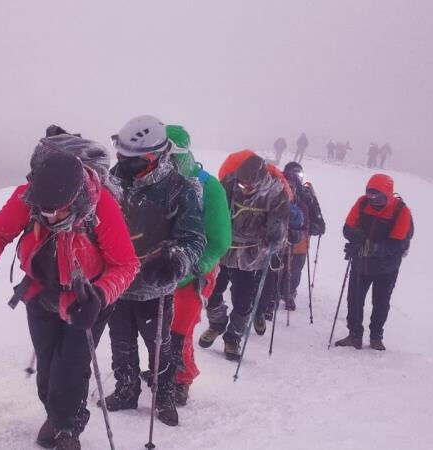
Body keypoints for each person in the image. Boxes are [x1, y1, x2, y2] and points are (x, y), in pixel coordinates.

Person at [0, 128, 139, 449]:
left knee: (71, 367)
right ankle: (57, 413)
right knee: (48, 370)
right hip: (40, 293)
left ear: (75, 196)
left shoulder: (101, 205)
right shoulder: (31, 196)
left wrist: (100, 296)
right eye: (45, 209)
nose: (49, 215)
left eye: (57, 210)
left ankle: (68, 426)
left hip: (86, 299)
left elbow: (126, 264)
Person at [103, 115, 206, 427]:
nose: (124, 162)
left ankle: (164, 396)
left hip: (156, 283)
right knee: (120, 340)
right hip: (117, 281)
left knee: (159, 344)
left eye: (133, 158)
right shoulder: (112, 180)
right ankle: (126, 388)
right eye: (121, 155)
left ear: (155, 156)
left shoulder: (179, 188)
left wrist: (175, 260)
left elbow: (193, 237)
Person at [199, 151, 292, 360]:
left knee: (243, 301)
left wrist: (275, 233)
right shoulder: (229, 184)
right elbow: (215, 211)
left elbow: (280, 221)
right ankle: (216, 324)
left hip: (252, 254)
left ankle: (233, 338)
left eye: (248, 184)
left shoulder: (276, 193)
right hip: (224, 249)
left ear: (260, 178)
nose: (244, 187)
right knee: (211, 292)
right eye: (241, 183)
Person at [164, 124, 231, 406]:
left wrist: (199, 265)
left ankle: (181, 379)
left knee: (181, 327)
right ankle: (162, 372)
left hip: (192, 273)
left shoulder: (208, 185)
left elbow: (219, 239)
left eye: (170, 155)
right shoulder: (155, 181)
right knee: (157, 328)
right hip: (157, 271)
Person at [335, 174, 414, 351]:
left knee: (381, 302)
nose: (372, 199)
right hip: (361, 263)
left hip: (387, 267)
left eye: (376, 195)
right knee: (354, 299)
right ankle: (354, 335)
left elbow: (395, 244)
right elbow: (348, 227)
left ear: (387, 193)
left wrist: (364, 246)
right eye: (369, 194)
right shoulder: (362, 203)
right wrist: (355, 236)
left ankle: (376, 337)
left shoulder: (401, 211)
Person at [255, 162, 325, 326]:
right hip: (279, 238)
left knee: (292, 269)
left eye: (298, 175)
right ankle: (270, 301)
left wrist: (307, 228)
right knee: (275, 269)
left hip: (298, 240)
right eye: (290, 174)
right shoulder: (278, 188)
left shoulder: (306, 193)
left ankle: (288, 293)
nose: (294, 179)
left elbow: (318, 221)